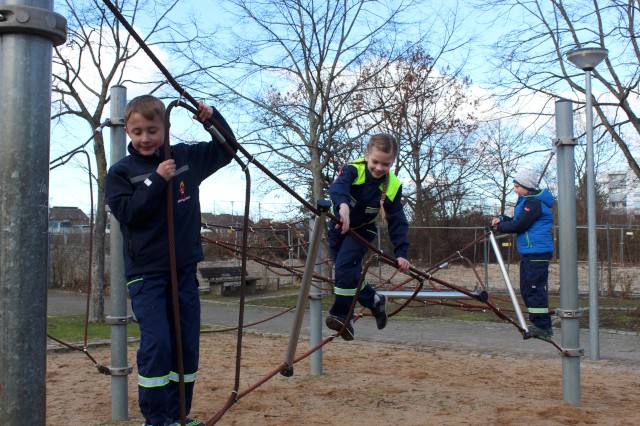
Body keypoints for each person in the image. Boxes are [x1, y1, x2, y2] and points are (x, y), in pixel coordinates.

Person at [105, 95, 236, 426]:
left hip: (183, 269)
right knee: (159, 343)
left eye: (152, 130)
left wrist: (212, 119)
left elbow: (228, 149)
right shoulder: (121, 172)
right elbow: (128, 214)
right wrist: (156, 179)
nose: (145, 138)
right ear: (128, 133)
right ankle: (157, 419)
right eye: (137, 132)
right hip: (146, 274)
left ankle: (179, 415)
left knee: (185, 345)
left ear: (165, 127)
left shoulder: (186, 157)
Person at [326, 133, 410, 341]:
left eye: (386, 164)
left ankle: (343, 315)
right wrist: (342, 205)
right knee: (347, 274)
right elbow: (338, 187)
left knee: (345, 268)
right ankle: (374, 300)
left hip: (363, 230)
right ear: (366, 156)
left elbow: (397, 220)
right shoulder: (354, 169)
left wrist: (401, 253)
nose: (379, 168)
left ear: (392, 163)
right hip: (339, 227)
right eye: (375, 162)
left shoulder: (393, 186)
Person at [491, 168, 555, 339]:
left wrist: (498, 228)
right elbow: (516, 221)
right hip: (530, 251)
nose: (515, 189)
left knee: (534, 289)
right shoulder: (526, 202)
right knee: (527, 289)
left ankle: (543, 326)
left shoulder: (534, 203)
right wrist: (502, 219)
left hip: (537, 252)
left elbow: (520, 226)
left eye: (517, 186)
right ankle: (538, 323)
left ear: (526, 186)